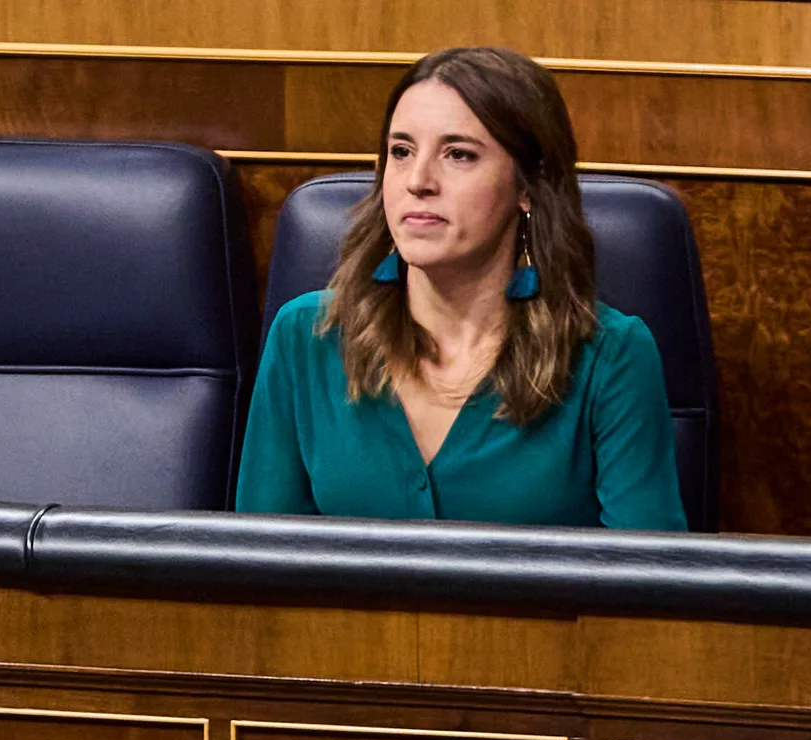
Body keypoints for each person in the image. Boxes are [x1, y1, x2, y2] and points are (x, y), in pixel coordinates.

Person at [235, 46, 687, 530]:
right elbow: (260, 572)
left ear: (528, 187)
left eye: (458, 154)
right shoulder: (306, 337)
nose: (418, 180)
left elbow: (645, 590)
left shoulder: (611, 358)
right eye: (401, 152)